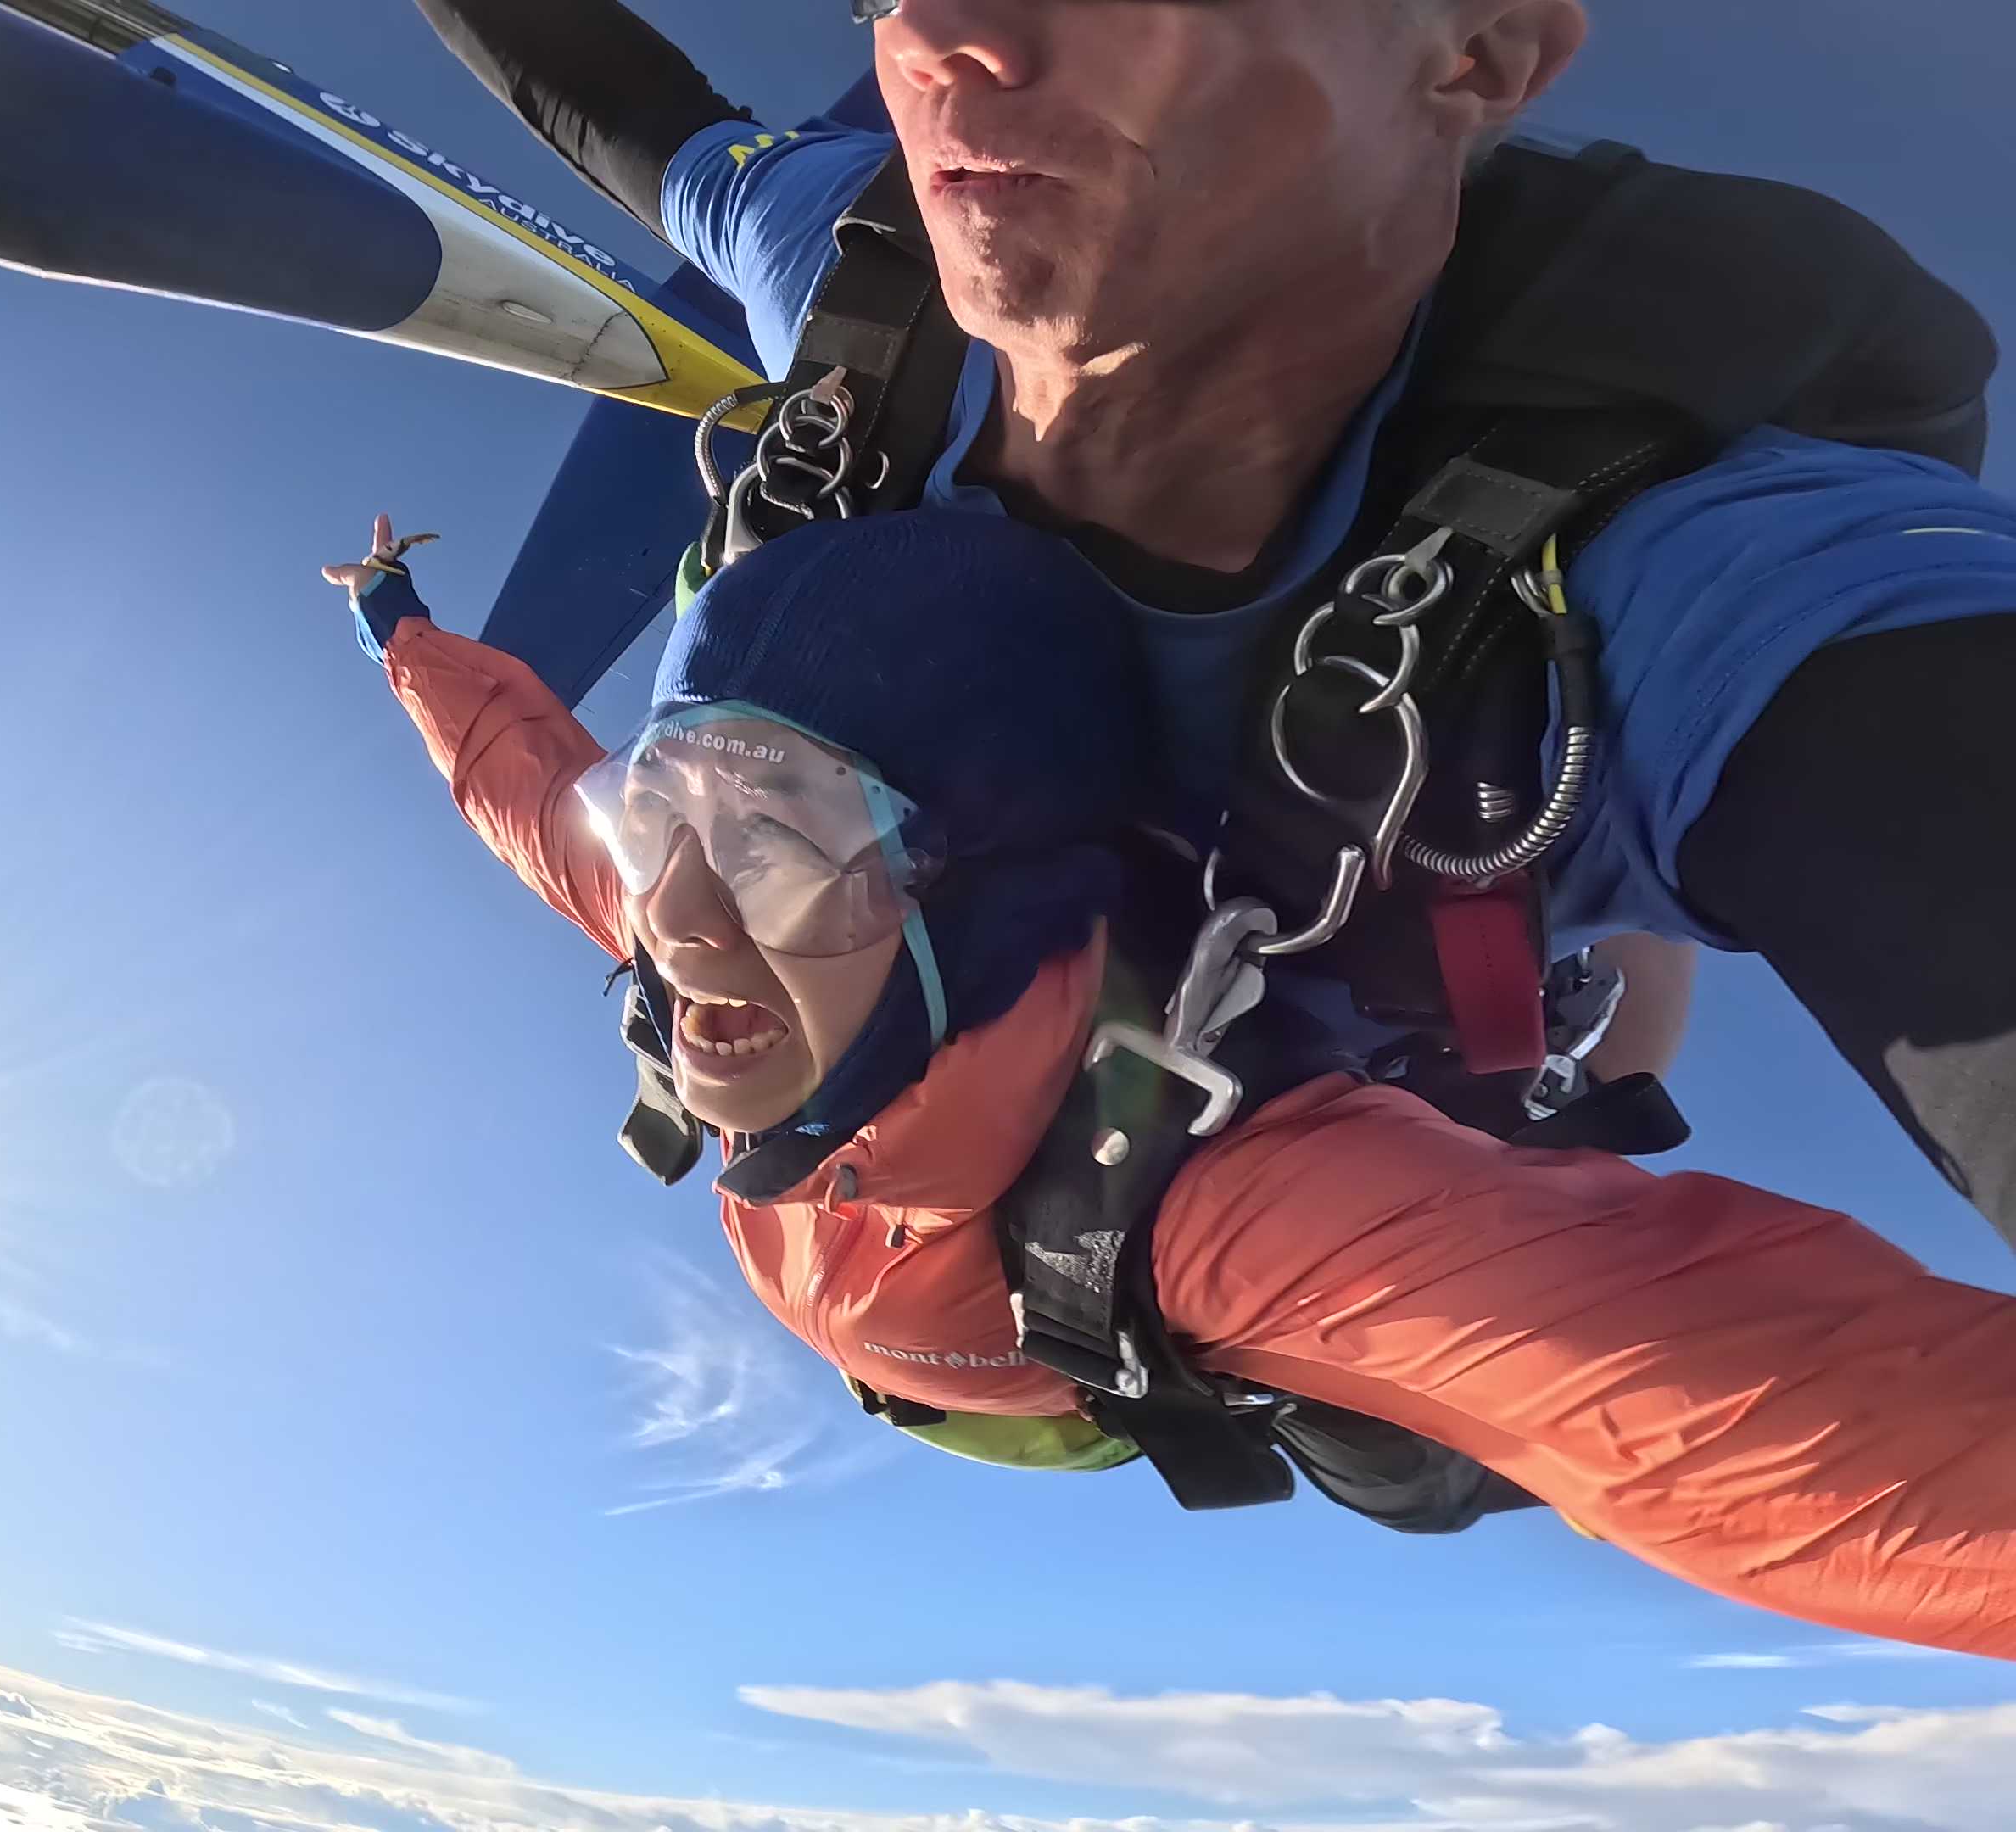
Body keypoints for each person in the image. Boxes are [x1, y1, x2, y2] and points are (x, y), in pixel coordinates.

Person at [409, 0, 2016, 1247]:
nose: (945, 39)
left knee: (1567, 886)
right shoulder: (874, 268)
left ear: (1479, 53)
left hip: (1371, 976)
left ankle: (1594, 1025)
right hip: (964, 1030)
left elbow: (1903, 741)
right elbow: (646, 124)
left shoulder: (1698, 574)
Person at [323, 503, 2016, 1660]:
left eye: (778, 836)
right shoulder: (701, 922)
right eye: (670, 818)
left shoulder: (1228, 1202)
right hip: (953, 1332)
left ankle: (1621, 916)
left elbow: (1786, 1426)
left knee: (1485, 1349)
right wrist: (402, 630)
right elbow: (534, 791)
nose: (675, 916)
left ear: (975, 886)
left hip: (1097, 1346)